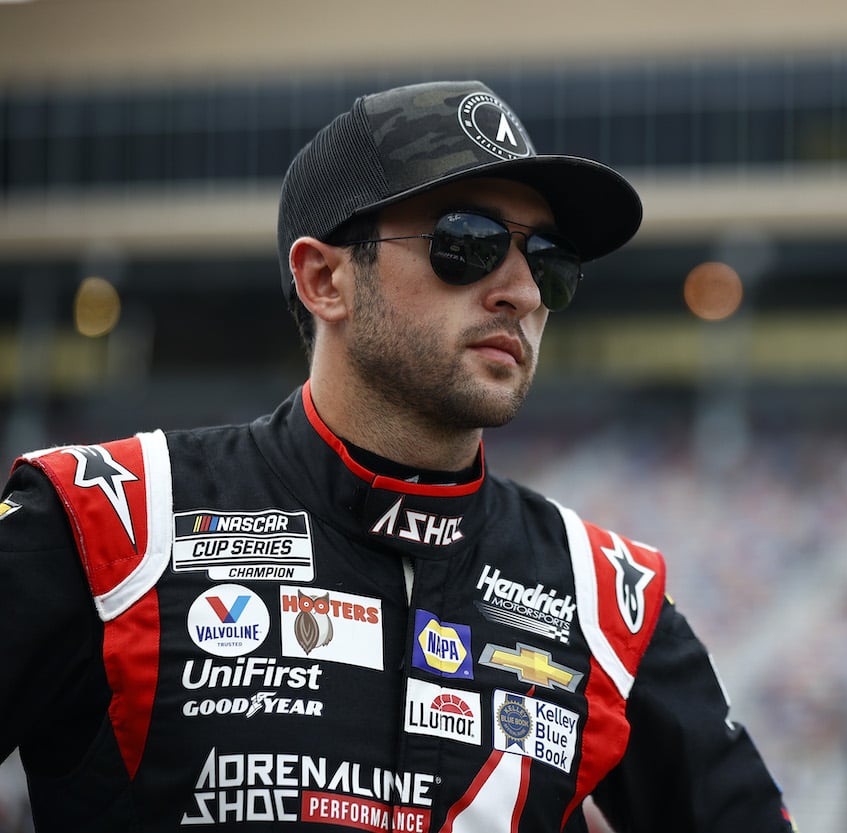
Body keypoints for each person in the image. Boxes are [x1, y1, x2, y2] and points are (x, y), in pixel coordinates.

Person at [0, 80, 795, 832]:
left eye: (549, 260)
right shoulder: (104, 521)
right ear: (324, 280)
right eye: (469, 242)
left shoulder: (608, 599)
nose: (520, 290)